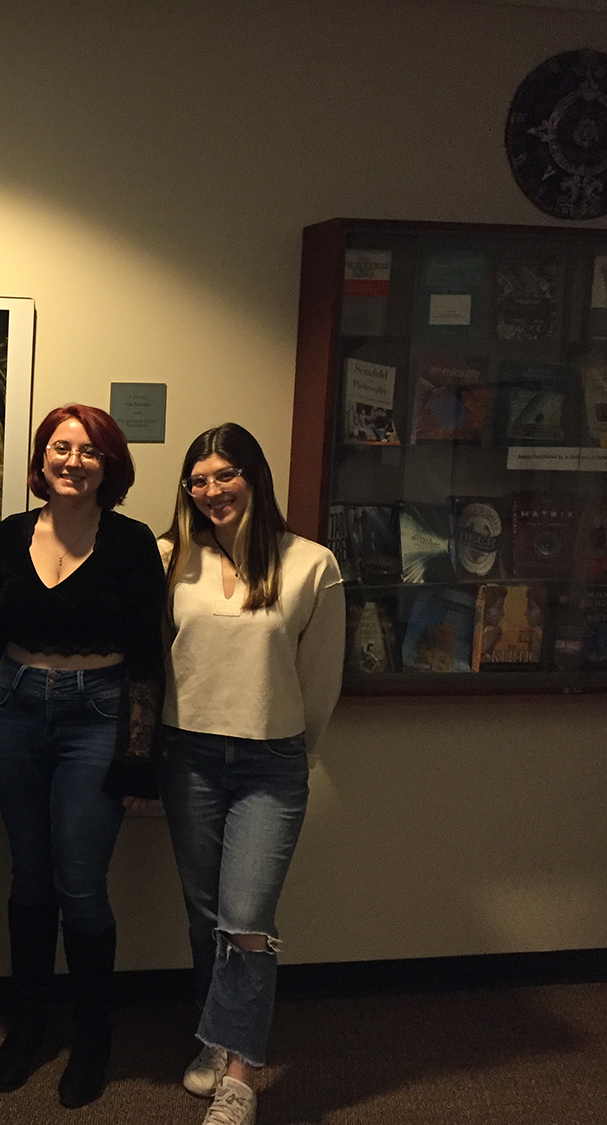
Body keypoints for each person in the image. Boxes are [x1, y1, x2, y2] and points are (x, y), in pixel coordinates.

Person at [156, 423, 345, 1125]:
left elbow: (320, 680)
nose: (211, 491)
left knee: (245, 922)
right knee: (205, 914)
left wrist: (300, 752)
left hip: (271, 763)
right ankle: (214, 1035)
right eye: (198, 479)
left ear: (255, 476)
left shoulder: (311, 564)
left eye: (225, 474)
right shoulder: (169, 557)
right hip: (189, 758)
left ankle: (238, 1075)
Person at [0, 403, 166, 1108]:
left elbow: (148, 655)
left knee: (80, 884)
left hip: (99, 712)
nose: (73, 460)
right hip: (14, 707)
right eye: (61, 447)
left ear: (109, 464)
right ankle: (29, 1023)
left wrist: (139, 757)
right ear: (42, 457)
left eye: (89, 450)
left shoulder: (131, 541)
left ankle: (93, 1037)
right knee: (29, 878)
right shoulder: (8, 535)